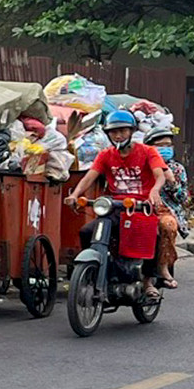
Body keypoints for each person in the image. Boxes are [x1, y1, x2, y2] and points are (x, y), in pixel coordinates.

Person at [65, 110, 168, 298]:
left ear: (131, 131)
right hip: (114, 208)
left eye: (122, 131)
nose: (118, 135)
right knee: (86, 232)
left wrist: (154, 190)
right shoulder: (105, 155)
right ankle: (98, 269)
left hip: (141, 209)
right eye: (113, 132)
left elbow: (159, 175)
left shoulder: (147, 151)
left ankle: (147, 281)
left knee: (153, 235)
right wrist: (76, 195)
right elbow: (89, 177)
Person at [145, 127, 184, 290]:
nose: (165, 149)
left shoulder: (176, 169)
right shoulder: (142, 164)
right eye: (160, 145)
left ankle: (162, 268)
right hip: (141, 207)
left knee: (167, 225)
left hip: (166, 210)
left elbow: (183, 198)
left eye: (168, 145)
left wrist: (172, 183)